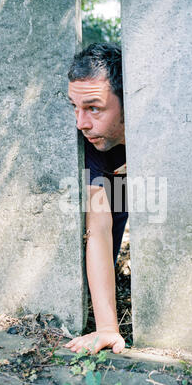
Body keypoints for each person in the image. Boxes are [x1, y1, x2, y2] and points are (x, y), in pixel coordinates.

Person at [65, 43, 128, 354]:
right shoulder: (90, 143)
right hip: (113, 187)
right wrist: (106, 328)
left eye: (93, 108)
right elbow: (98, 224)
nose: (81, 123)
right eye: (75, 107)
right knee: (109, 203)